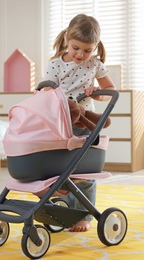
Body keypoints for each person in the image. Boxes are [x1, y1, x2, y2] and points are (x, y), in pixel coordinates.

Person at [44, 13, 116, 232]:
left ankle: (84, 215)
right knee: (61, 169)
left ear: (95, 48)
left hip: (84, 123)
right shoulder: (55, 65)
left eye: (87, 50)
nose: (81, 54)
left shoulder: (95, 64)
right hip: (60, 123)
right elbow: (46, 92)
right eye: (76, 48)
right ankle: (65, 208)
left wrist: (96, 93)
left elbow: (109, 91)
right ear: (67, 39)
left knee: (85, 170)